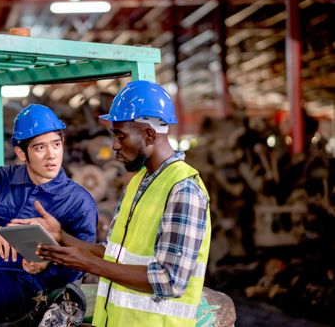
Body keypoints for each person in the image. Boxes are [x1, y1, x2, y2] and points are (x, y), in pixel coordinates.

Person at [13, 80, 211, 326]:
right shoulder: (139, 182)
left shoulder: (183, 188)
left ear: (149, 135)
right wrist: (62, 237)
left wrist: (89, 264)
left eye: (120, 135)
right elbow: (115, 253)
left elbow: (169, 280)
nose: (115, 145)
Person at [0, 104, 98, 327]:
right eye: (40, 148)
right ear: (21, 153)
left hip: (25, 281)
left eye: (56, 144)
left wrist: (47, 265)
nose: (51, 155)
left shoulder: (79, 202)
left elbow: (82, 262)